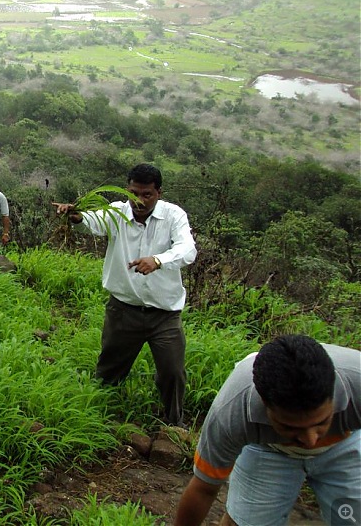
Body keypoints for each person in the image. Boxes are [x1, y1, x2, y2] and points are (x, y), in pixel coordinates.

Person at [53, 163, 197, 426]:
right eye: (134, 193)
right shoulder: (117, 212)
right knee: (109, 369)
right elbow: (92, 221)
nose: (139, 201)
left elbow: (187, 249)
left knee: (172, 371)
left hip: (164, 315)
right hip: (123, 310)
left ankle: (175, 423)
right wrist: (75, 217)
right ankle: (96, 418)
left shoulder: (173, 216)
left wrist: (158, 260)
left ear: (159, 193)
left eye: (147, 195)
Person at [174, 335, 361, 526]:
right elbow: (203, 489)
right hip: (268, 448)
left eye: (321, 421)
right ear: (264, 405)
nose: (310, 440)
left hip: (343, 444)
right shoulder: (232, 410)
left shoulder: (358, 381)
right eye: (290, 427)